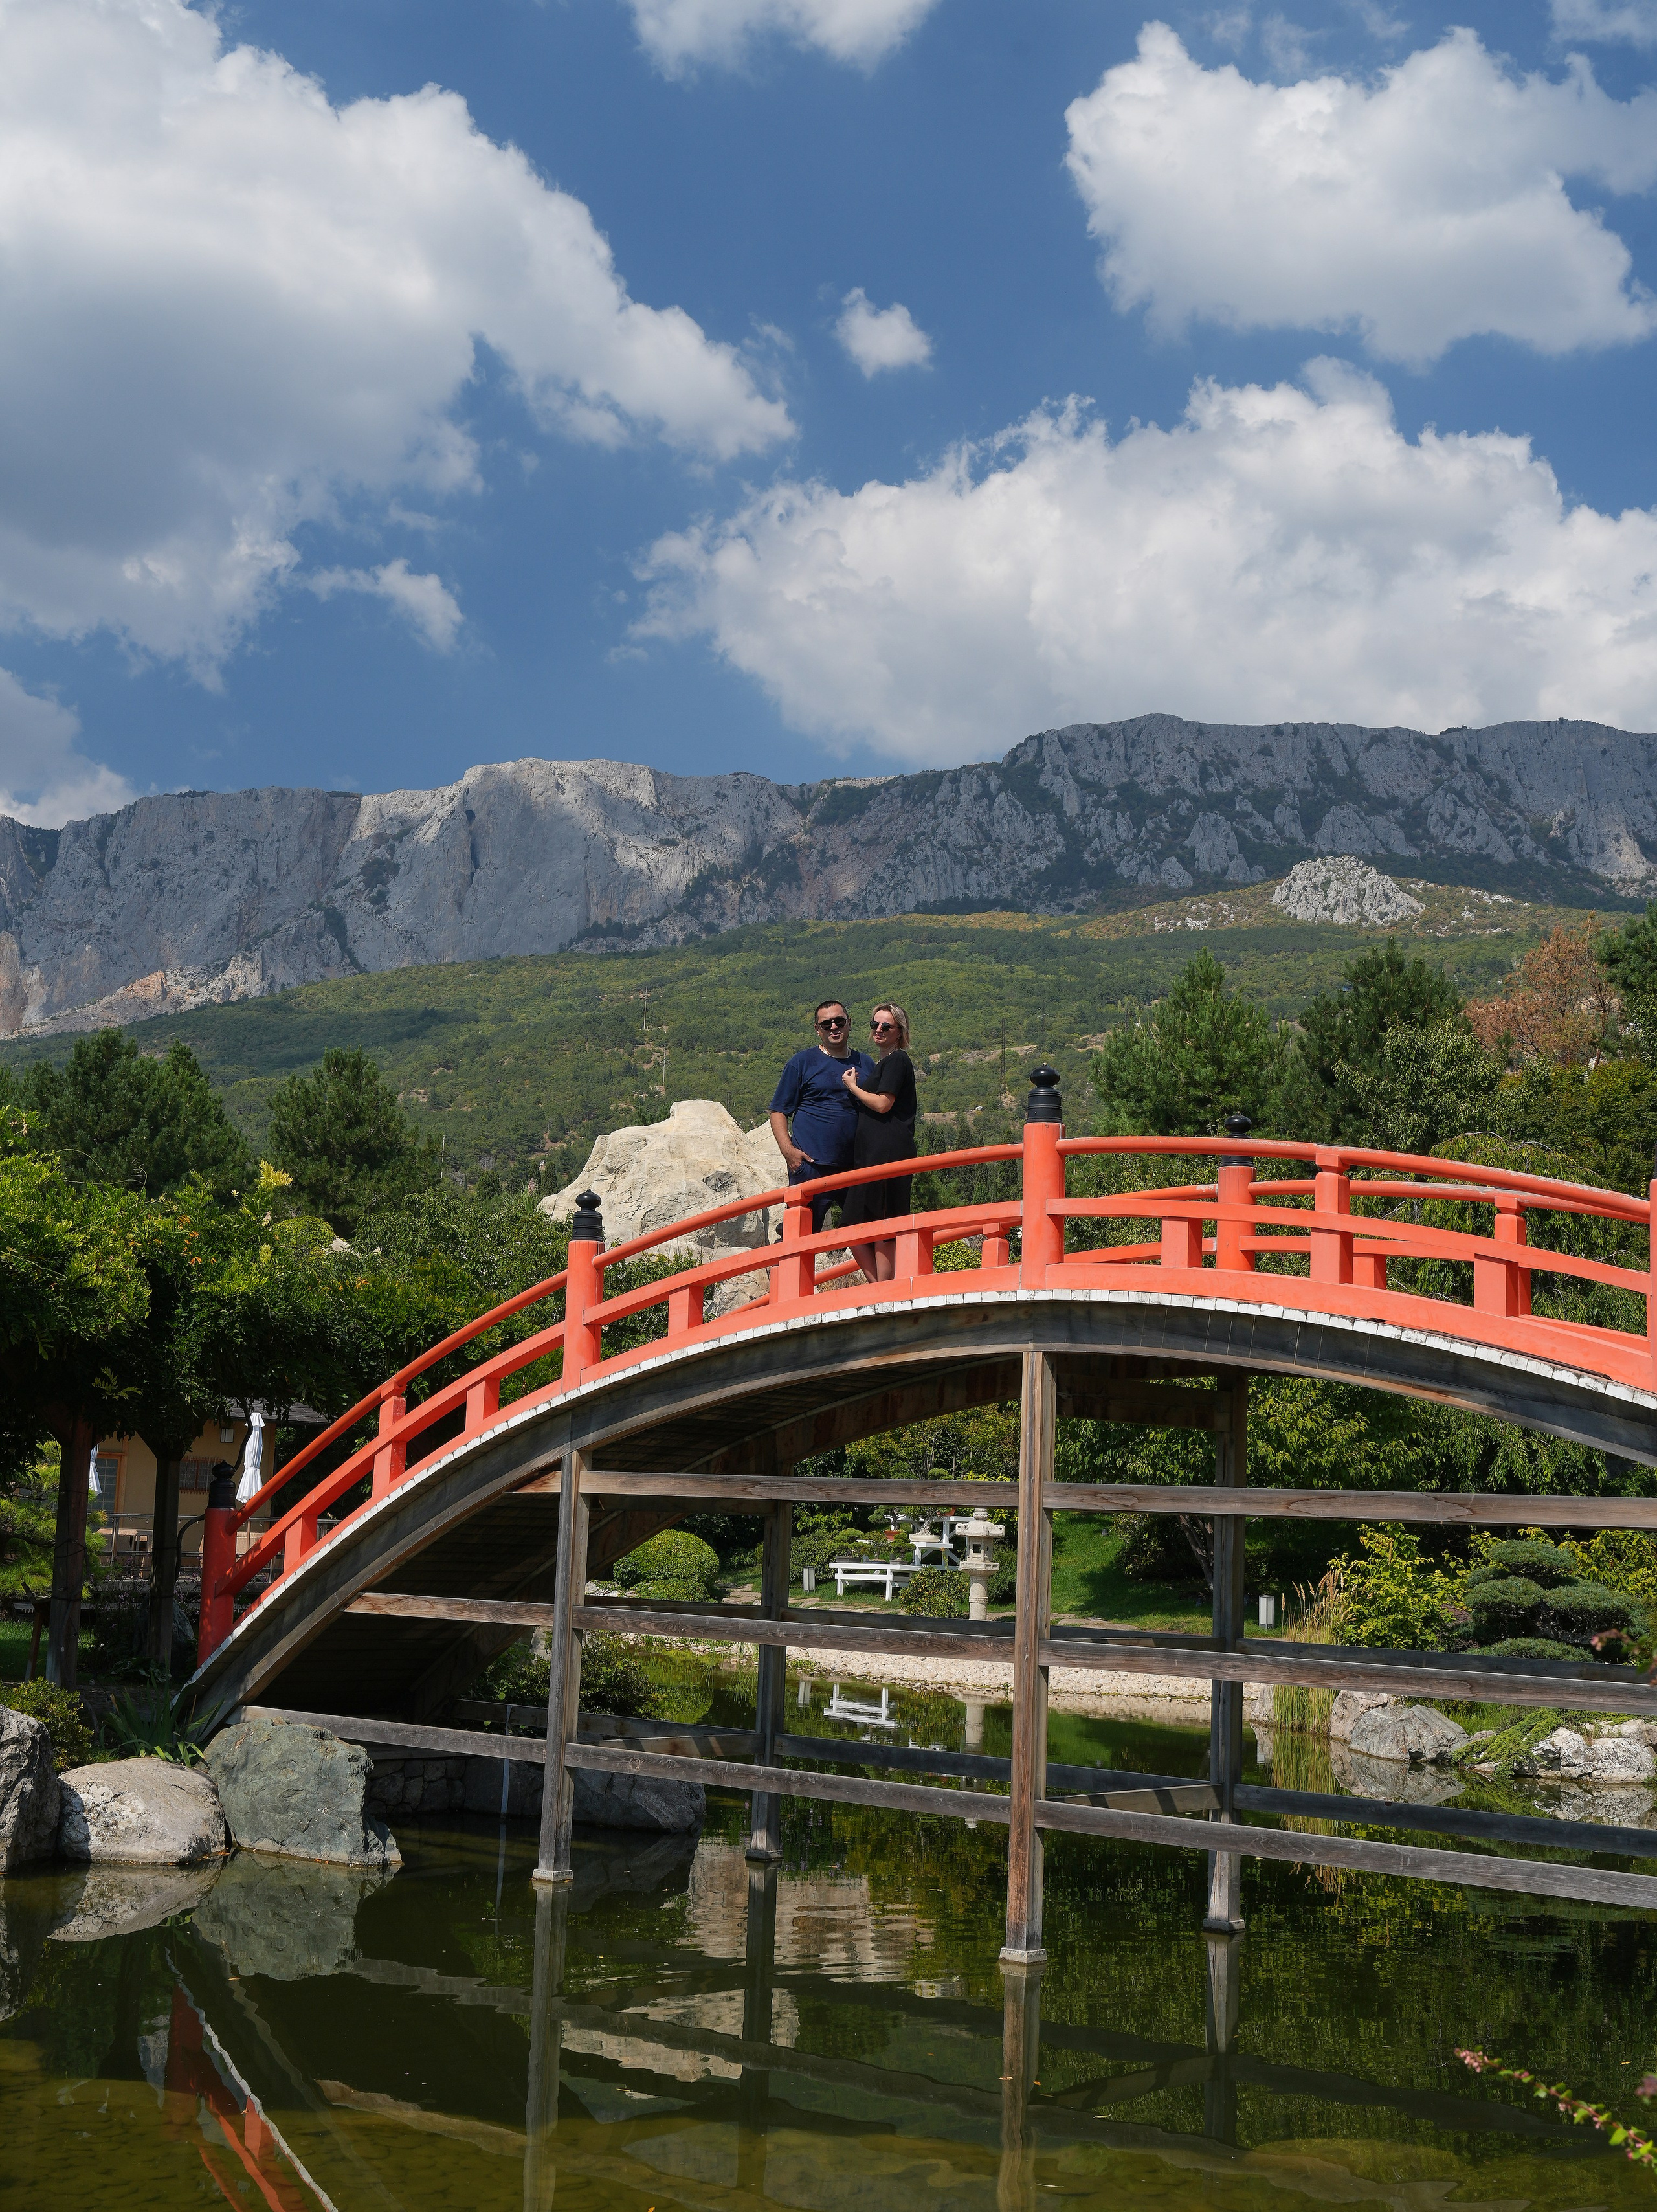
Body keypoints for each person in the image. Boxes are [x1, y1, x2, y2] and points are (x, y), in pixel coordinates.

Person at [768, 999, 873, 1235]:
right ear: (818, 1030)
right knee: (800, 1236)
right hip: (811, 1167)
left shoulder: (865, 1063)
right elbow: (779, 1111)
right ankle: (782, 1273)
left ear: (849, 1024)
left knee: (866, 1235)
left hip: (856, 1168)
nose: (834, 1027)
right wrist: (790, 1153)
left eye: (839, 1021)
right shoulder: (801, 1063)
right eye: (827, 1024)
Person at [838, 1001, 917, 1282]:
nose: (879, 1030)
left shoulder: (898, 1060)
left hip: (888, 1153)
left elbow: (884, 1104)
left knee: (883, 1220)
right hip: (871, 1155)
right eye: (875, 1025)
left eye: (887, 1026)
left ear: (900, 1031)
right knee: (853, 1224)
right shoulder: (883, 1063)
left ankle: (883, 1289)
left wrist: (853, 1087)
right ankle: (879, 1289)